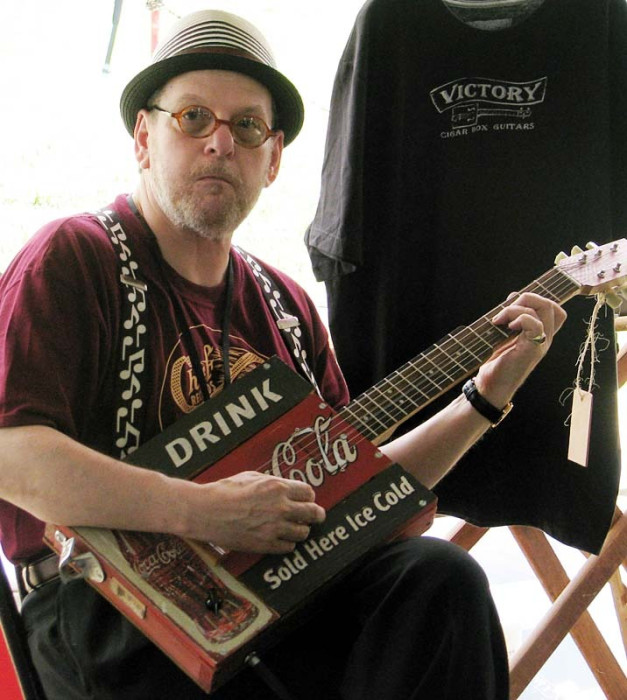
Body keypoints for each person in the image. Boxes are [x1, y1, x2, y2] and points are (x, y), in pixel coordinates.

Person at [0, 9, 565, 700]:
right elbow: (11, 455)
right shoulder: (74, 258)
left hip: (269, 604)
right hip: (111, 618)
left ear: (271, 159)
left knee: (439, 582)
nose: (220, 143)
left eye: (247, 127)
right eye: (194, 118)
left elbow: (353, 492)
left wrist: (481, 400)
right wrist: (200, 510)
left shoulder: (285, 306)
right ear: (144, 138)